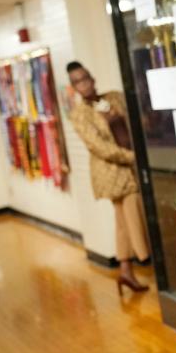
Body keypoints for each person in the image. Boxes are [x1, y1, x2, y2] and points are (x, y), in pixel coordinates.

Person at [66, 61, 150, 295]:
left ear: (92, 78)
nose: (85, 84)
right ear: (74, 87)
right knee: (132, 212)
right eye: (78, 81)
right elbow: (99, 147)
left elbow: (138, 120)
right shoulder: (79, 115)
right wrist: (133, 157)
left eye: (86, 78)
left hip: (133, 165)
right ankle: (145, 256)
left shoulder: (114, 97)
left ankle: (125, 272)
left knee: (122, 222)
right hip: (113, 172)